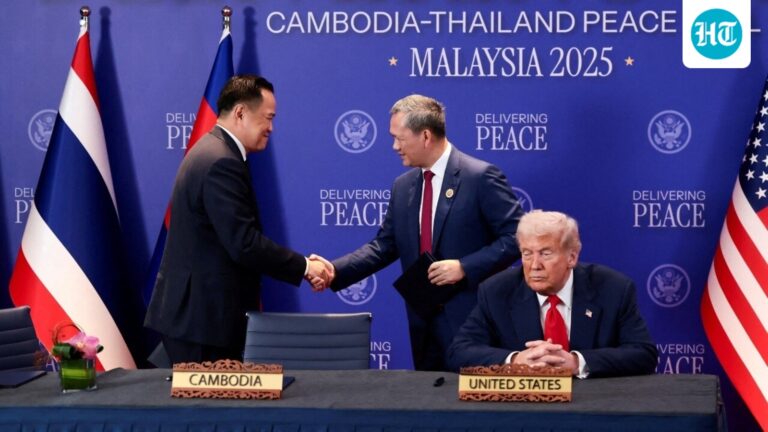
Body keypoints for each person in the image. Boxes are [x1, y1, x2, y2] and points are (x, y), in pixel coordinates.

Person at [312, 94, 524, 371]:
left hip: (472, 321)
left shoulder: (480, 177)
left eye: (399, 138)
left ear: (425, 136)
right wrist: (334, 270)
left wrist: (464, 267)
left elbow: (518, 238)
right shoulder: (403, 186)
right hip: (423, 321)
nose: (394, 146)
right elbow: (384, 245)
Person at [144, 75, 329, 364]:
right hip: (204, 324)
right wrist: (305, 266)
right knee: (206, 395)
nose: (271, 128)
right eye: (268, 118)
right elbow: (244, 243)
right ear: (240, 112)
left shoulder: (211, 150)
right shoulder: (222, 161)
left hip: (200, 319)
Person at [446, 210, 657, 377]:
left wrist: (577, 362)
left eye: (545, 254)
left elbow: (643, 354)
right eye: (527, 254)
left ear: (572, 257)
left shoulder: (613, 289)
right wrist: (516, 361)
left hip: (593, 404)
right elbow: (459, 352)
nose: (534, 265)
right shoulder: (496, 291)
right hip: (523, 407)